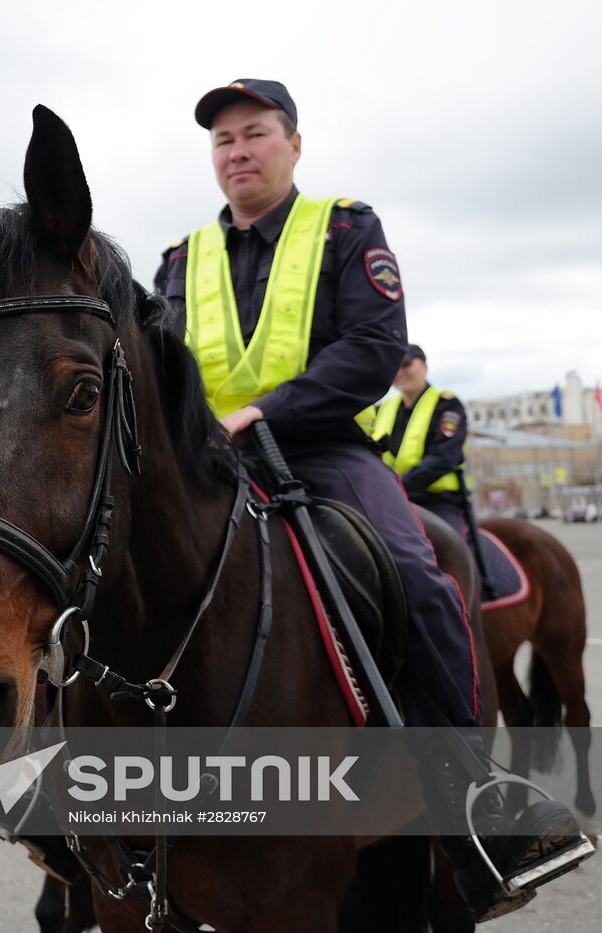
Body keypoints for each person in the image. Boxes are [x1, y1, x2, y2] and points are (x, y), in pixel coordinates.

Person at [154, 79, 588, 919]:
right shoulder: (178, 260)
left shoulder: (347, 229)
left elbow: (374, 346)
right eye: (223, 141)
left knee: (417, 577)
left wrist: (263, 412)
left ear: (294, 145)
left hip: (316, 449)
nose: (237, 151)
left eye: (255, 134)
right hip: (204, 460)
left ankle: (474, 806)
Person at [371, 344, 470, 536]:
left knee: (456, 554)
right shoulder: (383, 408)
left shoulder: (447, 404)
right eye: (395, 367)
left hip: (436, 501)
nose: (400, 372)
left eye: (406, 365)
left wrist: (400, 484)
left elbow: (444, 457)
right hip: (392, 498)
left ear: (424, 367)